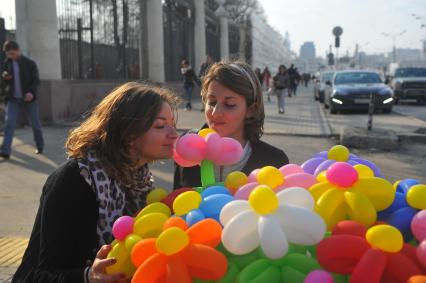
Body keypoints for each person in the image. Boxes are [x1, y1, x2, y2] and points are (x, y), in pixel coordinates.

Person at [12, 82, 179, 283]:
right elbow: (42, 274)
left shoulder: (140, 181)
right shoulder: (75, 180)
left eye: (173, 125)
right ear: (128, 133)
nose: (174, 134)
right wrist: (88, 275)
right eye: (160, 126)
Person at [174, 61, 289, 189]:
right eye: (211, 102)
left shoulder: (274, 161)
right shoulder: (188, 147)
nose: (216, 112)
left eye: (229, 104)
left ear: (251, 109)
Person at [0, 40, 44, 159]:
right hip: (13, 98)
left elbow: (36, 81)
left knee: (35, 124)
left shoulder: (30, 63)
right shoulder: (7, 63)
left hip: (29, 98)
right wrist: (5, 78)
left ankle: (40, 146)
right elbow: (4, 82)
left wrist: (30, 92)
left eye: (12, 54)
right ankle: (5, 151)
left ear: (18, 51)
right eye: (8, 54)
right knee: (9, 123)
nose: (10, 56)